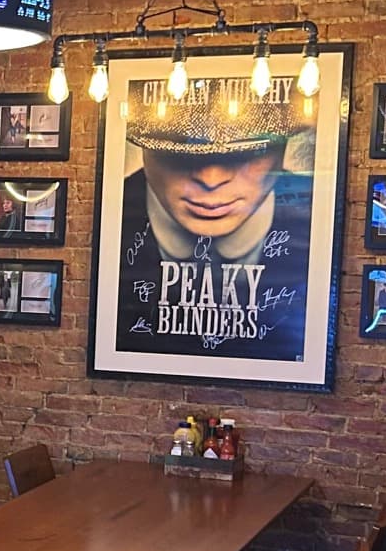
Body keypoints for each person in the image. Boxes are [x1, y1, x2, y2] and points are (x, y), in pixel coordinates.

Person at [112, 87, 316, 362]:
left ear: (282, 148)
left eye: (250, 152)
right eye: (180, 152)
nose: (211, 178)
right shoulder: (108, 221)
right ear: (146, 151)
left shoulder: (318, 221)